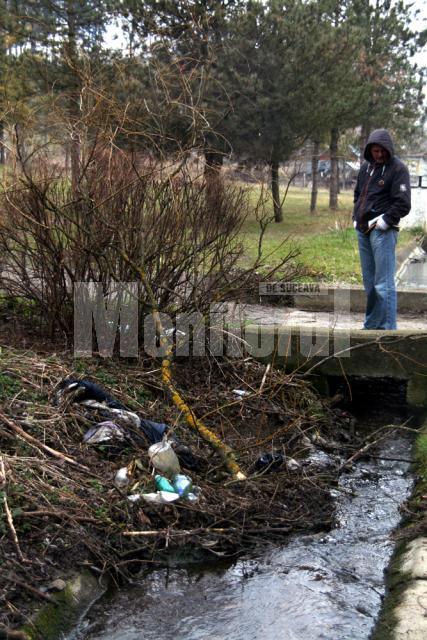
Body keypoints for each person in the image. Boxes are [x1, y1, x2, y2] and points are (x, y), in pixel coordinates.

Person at [353, 129, 411, 330]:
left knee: (383, 284)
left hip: (383, 231)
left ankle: (387, 331)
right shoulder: (365, 168)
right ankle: (371, 327)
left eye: (382, 150)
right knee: (370, 284)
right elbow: (358, 194)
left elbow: (403, 203)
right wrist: (356, 217)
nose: (379, 154)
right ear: (370, 150)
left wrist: (386, 220)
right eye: (375, 151)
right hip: (363, 230)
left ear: (389, 149)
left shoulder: (398, 169)